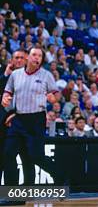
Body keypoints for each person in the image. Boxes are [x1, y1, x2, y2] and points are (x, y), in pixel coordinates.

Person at [1, 47, 63, 199]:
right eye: (34, 55)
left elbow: (56, 94)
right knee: (8, 154)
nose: (37, 58)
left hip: (36, 119)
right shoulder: (15, 75)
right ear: (28, 57)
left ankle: (60, 177)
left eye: (40, 56)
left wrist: (53, 98)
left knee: (36, 157)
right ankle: (12, 193)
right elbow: (8, 91)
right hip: (18, 119)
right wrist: (5, 97)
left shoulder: (46, 75)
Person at [0, 50, 27, 181]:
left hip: (22, 123)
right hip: (4, 123)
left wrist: (16, 114)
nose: (19, 60)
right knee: (5, 156)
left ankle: (16, 194)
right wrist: (6, 74)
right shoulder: (7, 76)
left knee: (28, 159)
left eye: (22, 58)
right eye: (16, 58)